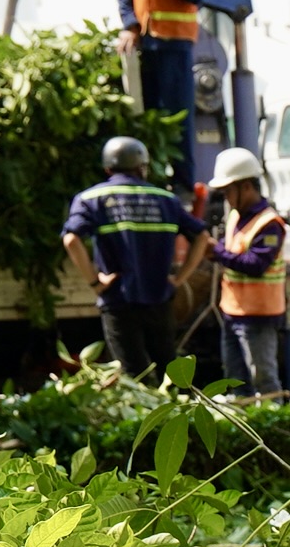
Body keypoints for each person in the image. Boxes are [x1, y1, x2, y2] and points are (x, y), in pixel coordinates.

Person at [61, 135, 208, 375]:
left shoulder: (90, 199)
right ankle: (180, 410)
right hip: (159, 298)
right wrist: (179, 279)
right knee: (170, 374)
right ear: (142, 167)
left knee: (133, 375)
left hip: (118, 299)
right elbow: (201, 236)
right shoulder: (166, 200)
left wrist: (95, 282)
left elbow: (71, 239)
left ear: (108, 168)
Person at [206, 148, 290, 399]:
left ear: (246, 186)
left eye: (229, 191)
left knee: (264, 379)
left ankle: (273, 428)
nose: (226, 198)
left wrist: (217, 253)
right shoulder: (236, 217)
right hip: (233, 312)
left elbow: (256, 264)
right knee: (236, 381)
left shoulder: (269, 223)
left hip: (258, 316)